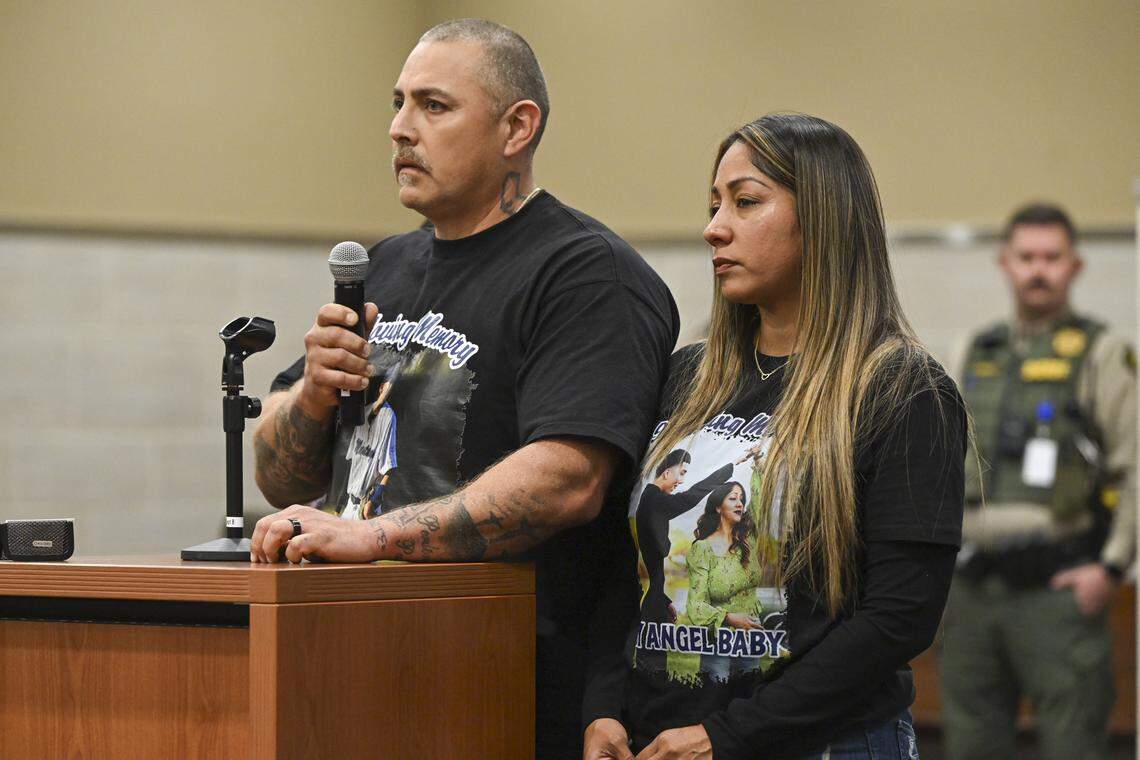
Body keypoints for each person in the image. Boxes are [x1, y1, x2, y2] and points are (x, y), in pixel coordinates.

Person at [247, 18, 679, 759]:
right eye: (397, 103)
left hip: (505, 681)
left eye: (433, 106)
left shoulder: (583, 274)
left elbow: (569, 480)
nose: (398, 129)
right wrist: (314, 394)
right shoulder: (382, 267)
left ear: (518, 127)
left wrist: (373, 537)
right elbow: (279, 474)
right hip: (352, 662)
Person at [582, 113, 967, 760]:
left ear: (822, 218)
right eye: (713, 204)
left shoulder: (901, 389)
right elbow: (627, 568)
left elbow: (899, 618)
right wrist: (603, 706)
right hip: (658, 741)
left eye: (746, 201)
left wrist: (727, 737)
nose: (714, 227)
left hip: (821, 744)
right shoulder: (687, 375)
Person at [940, 203, 1136, 760]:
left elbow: (1135, 470)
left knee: (1074, 743)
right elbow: (937, 467)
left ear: (1075, 265)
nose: (1038, 270)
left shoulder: (1103, 354)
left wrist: (1112, 568)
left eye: (1052, 257)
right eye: (1026, 257)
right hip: (972, 589)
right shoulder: (970, 351)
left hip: (1061, 591)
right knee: (970, 742)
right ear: (1006, 263)